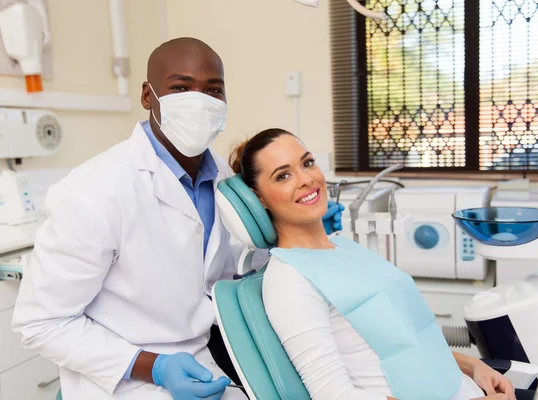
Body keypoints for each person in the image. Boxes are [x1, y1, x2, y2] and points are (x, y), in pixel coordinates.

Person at [11, 38, 343, 400]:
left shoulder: (221, 179)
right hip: (126, 377)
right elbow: (41, 323)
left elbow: (231, 269)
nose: (199, 102)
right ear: (147, 96)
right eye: (181, 88)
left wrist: (295, 233)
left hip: (208, 359)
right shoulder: (93, 192)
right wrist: (154, 366)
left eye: (213, 90)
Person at [227, 128, 538, 400]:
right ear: (259, 199)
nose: (307, 179)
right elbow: (334, 396)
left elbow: (406, 340)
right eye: (283, 175)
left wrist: (472, 366)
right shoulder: (289, 280)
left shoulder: (342, 247)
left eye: (307, 163)